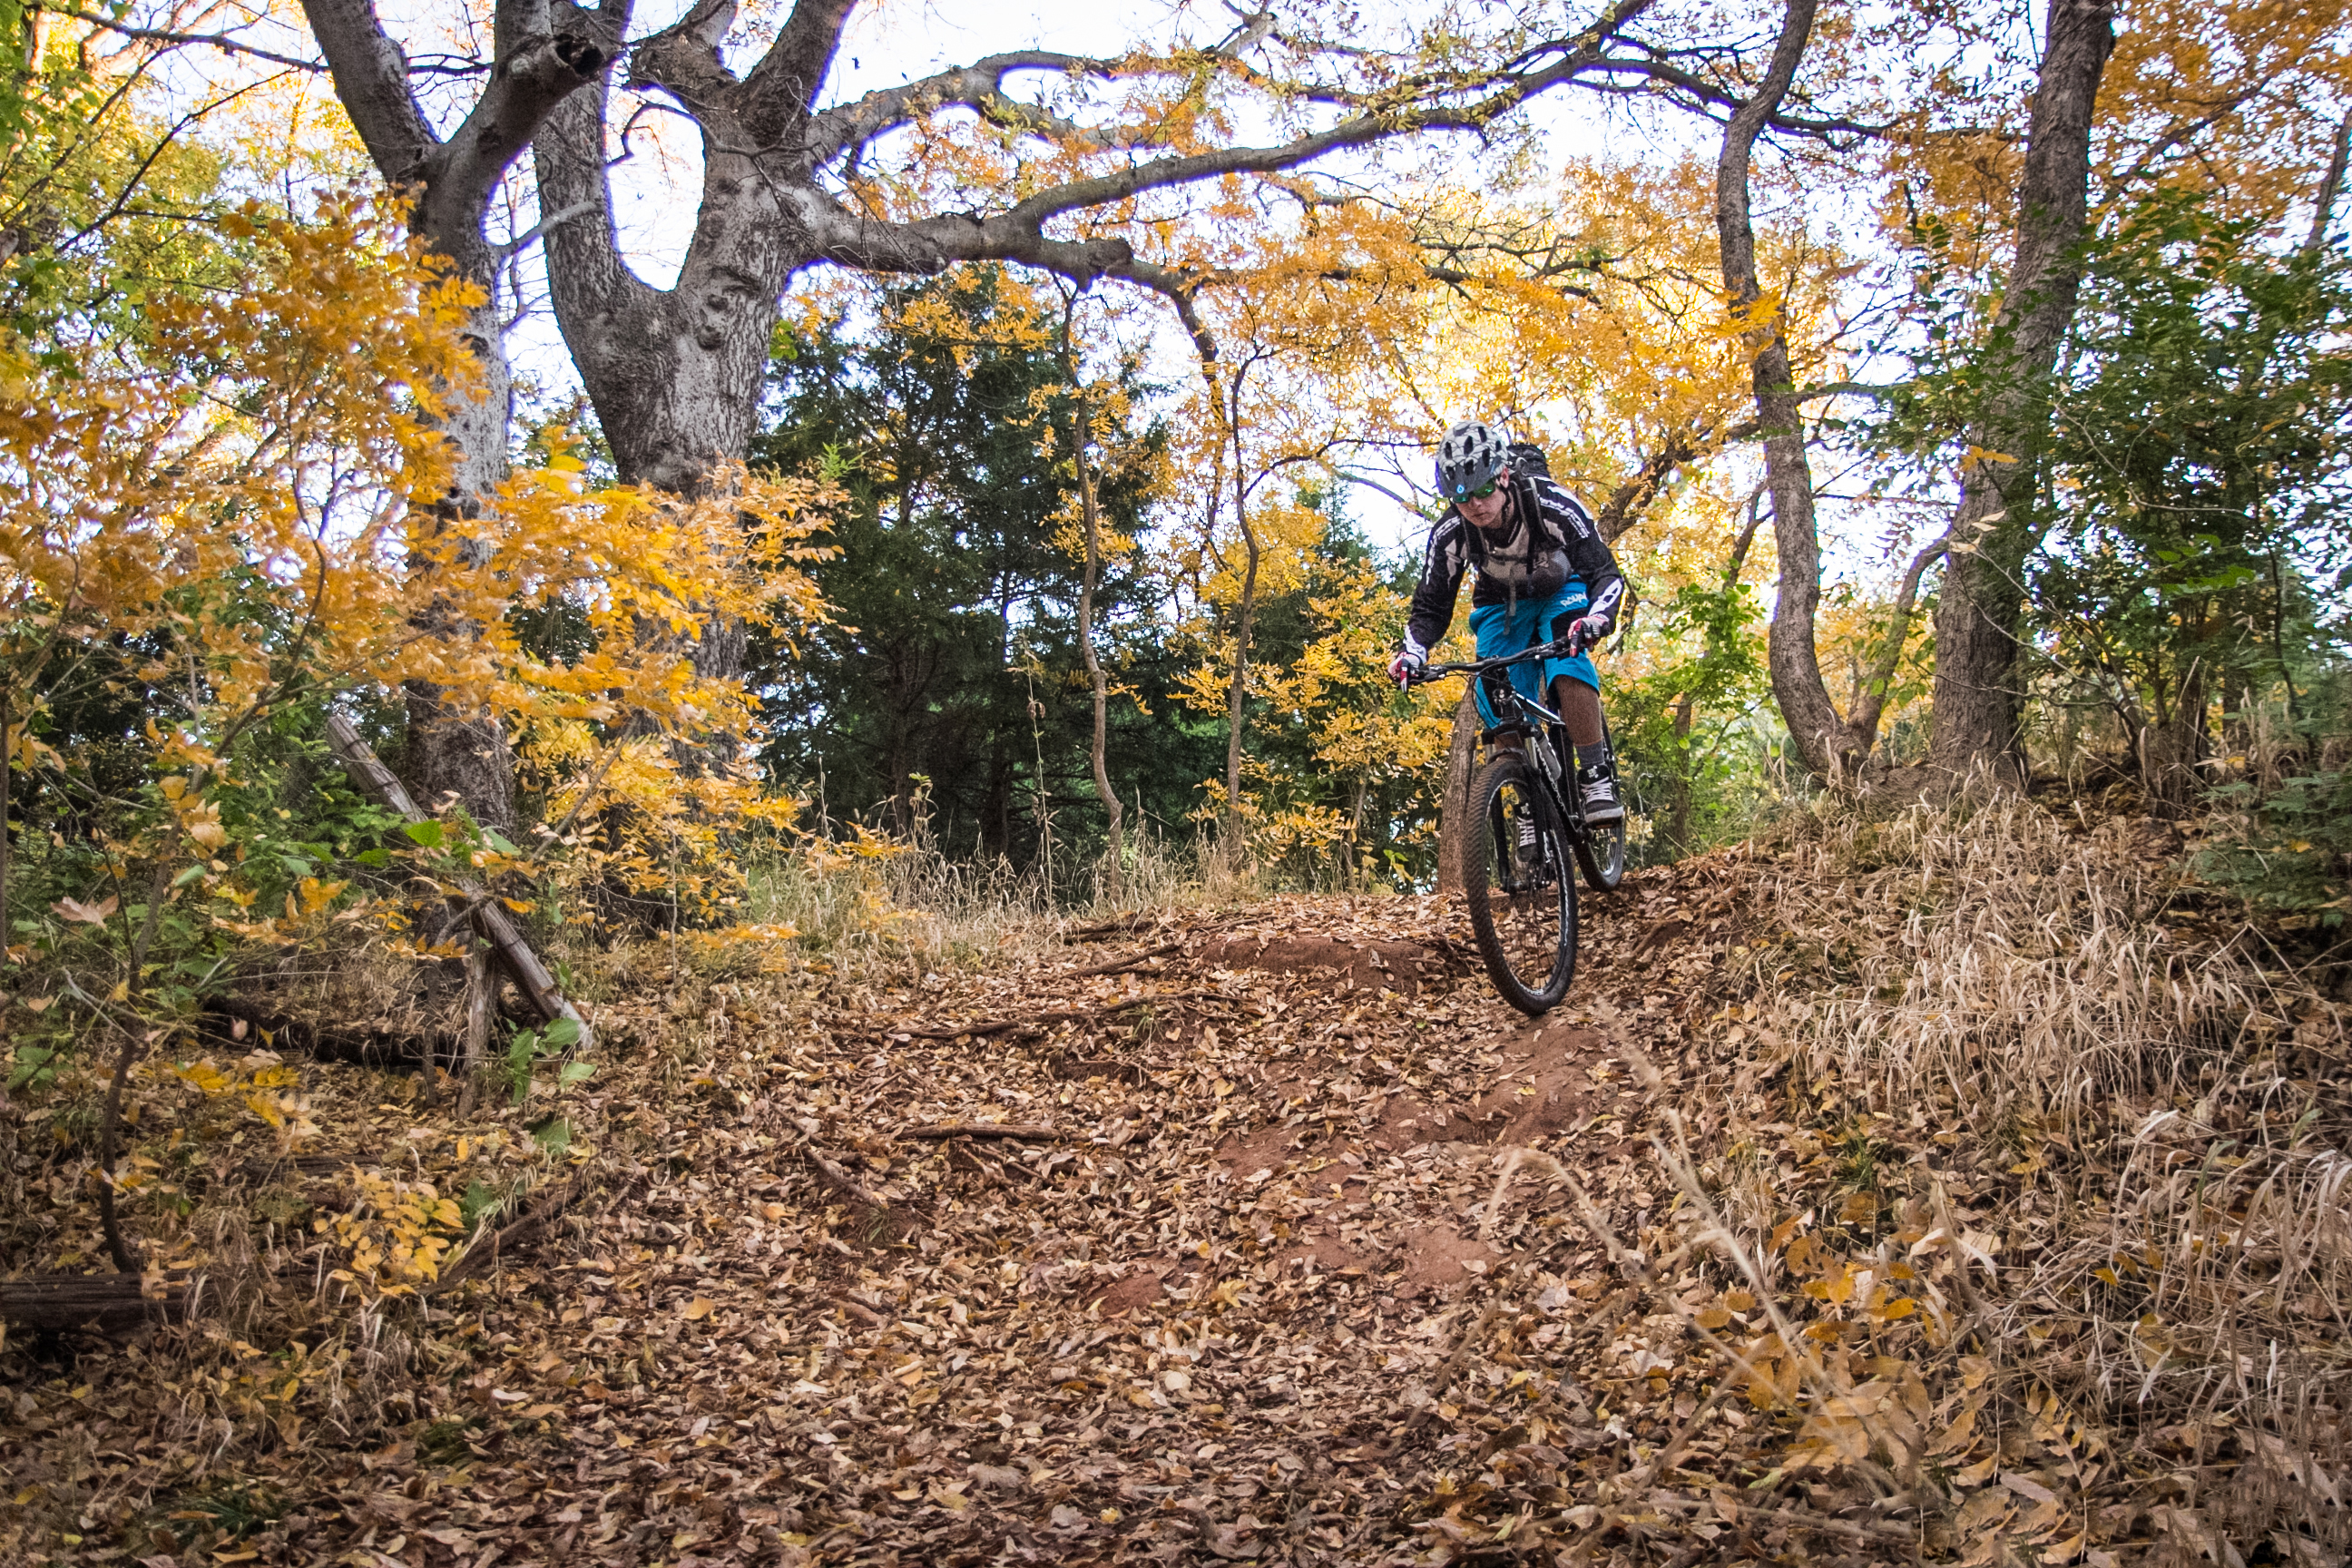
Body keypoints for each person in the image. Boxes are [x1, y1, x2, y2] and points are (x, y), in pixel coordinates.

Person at [1387, 419, 1626, 824]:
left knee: (1566, 660)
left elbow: (1605, 573)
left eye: (1483, 491)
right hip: (1500, 601)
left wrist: (1597, 617)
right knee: (1497, 693)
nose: (1476, 505)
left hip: (1560, 586)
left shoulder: (1552, 504)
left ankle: (1595, 774)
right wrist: (1412, 654)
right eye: (1462, 498)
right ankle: (1526, 797)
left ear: (1502, 475)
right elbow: (1431, 606)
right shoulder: (1451, 533)